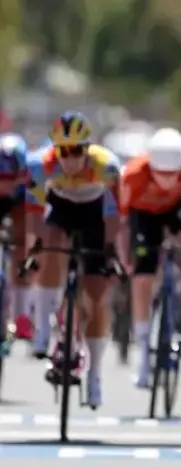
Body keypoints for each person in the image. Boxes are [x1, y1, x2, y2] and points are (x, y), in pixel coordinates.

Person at [24, 111, 123, 408]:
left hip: (95, 214)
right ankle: (43, 329)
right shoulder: (41, 166)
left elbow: (116, 215)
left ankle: (95, 376)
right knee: (50, 245)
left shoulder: (106, 167)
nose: (70, 158)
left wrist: (110, 250)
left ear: (87, 148)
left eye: (77, 150)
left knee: (96, 294)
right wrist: (35, 249)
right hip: (61, 209)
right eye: (63, 151)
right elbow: (34, 216)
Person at [119, 128, 181, 388]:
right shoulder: (132, 175)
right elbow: (122, 222)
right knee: (141, 281)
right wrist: (123, 257)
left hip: (176, 213)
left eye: (173, 175)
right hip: (144, 218)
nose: (167, 180)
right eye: (161, 174)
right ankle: (142, 356)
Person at [0, 134, 33, 340]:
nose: (6, 184)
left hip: (18, 206)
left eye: (12, 178)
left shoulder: (29, 181)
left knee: (23, 246)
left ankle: (21, 314)